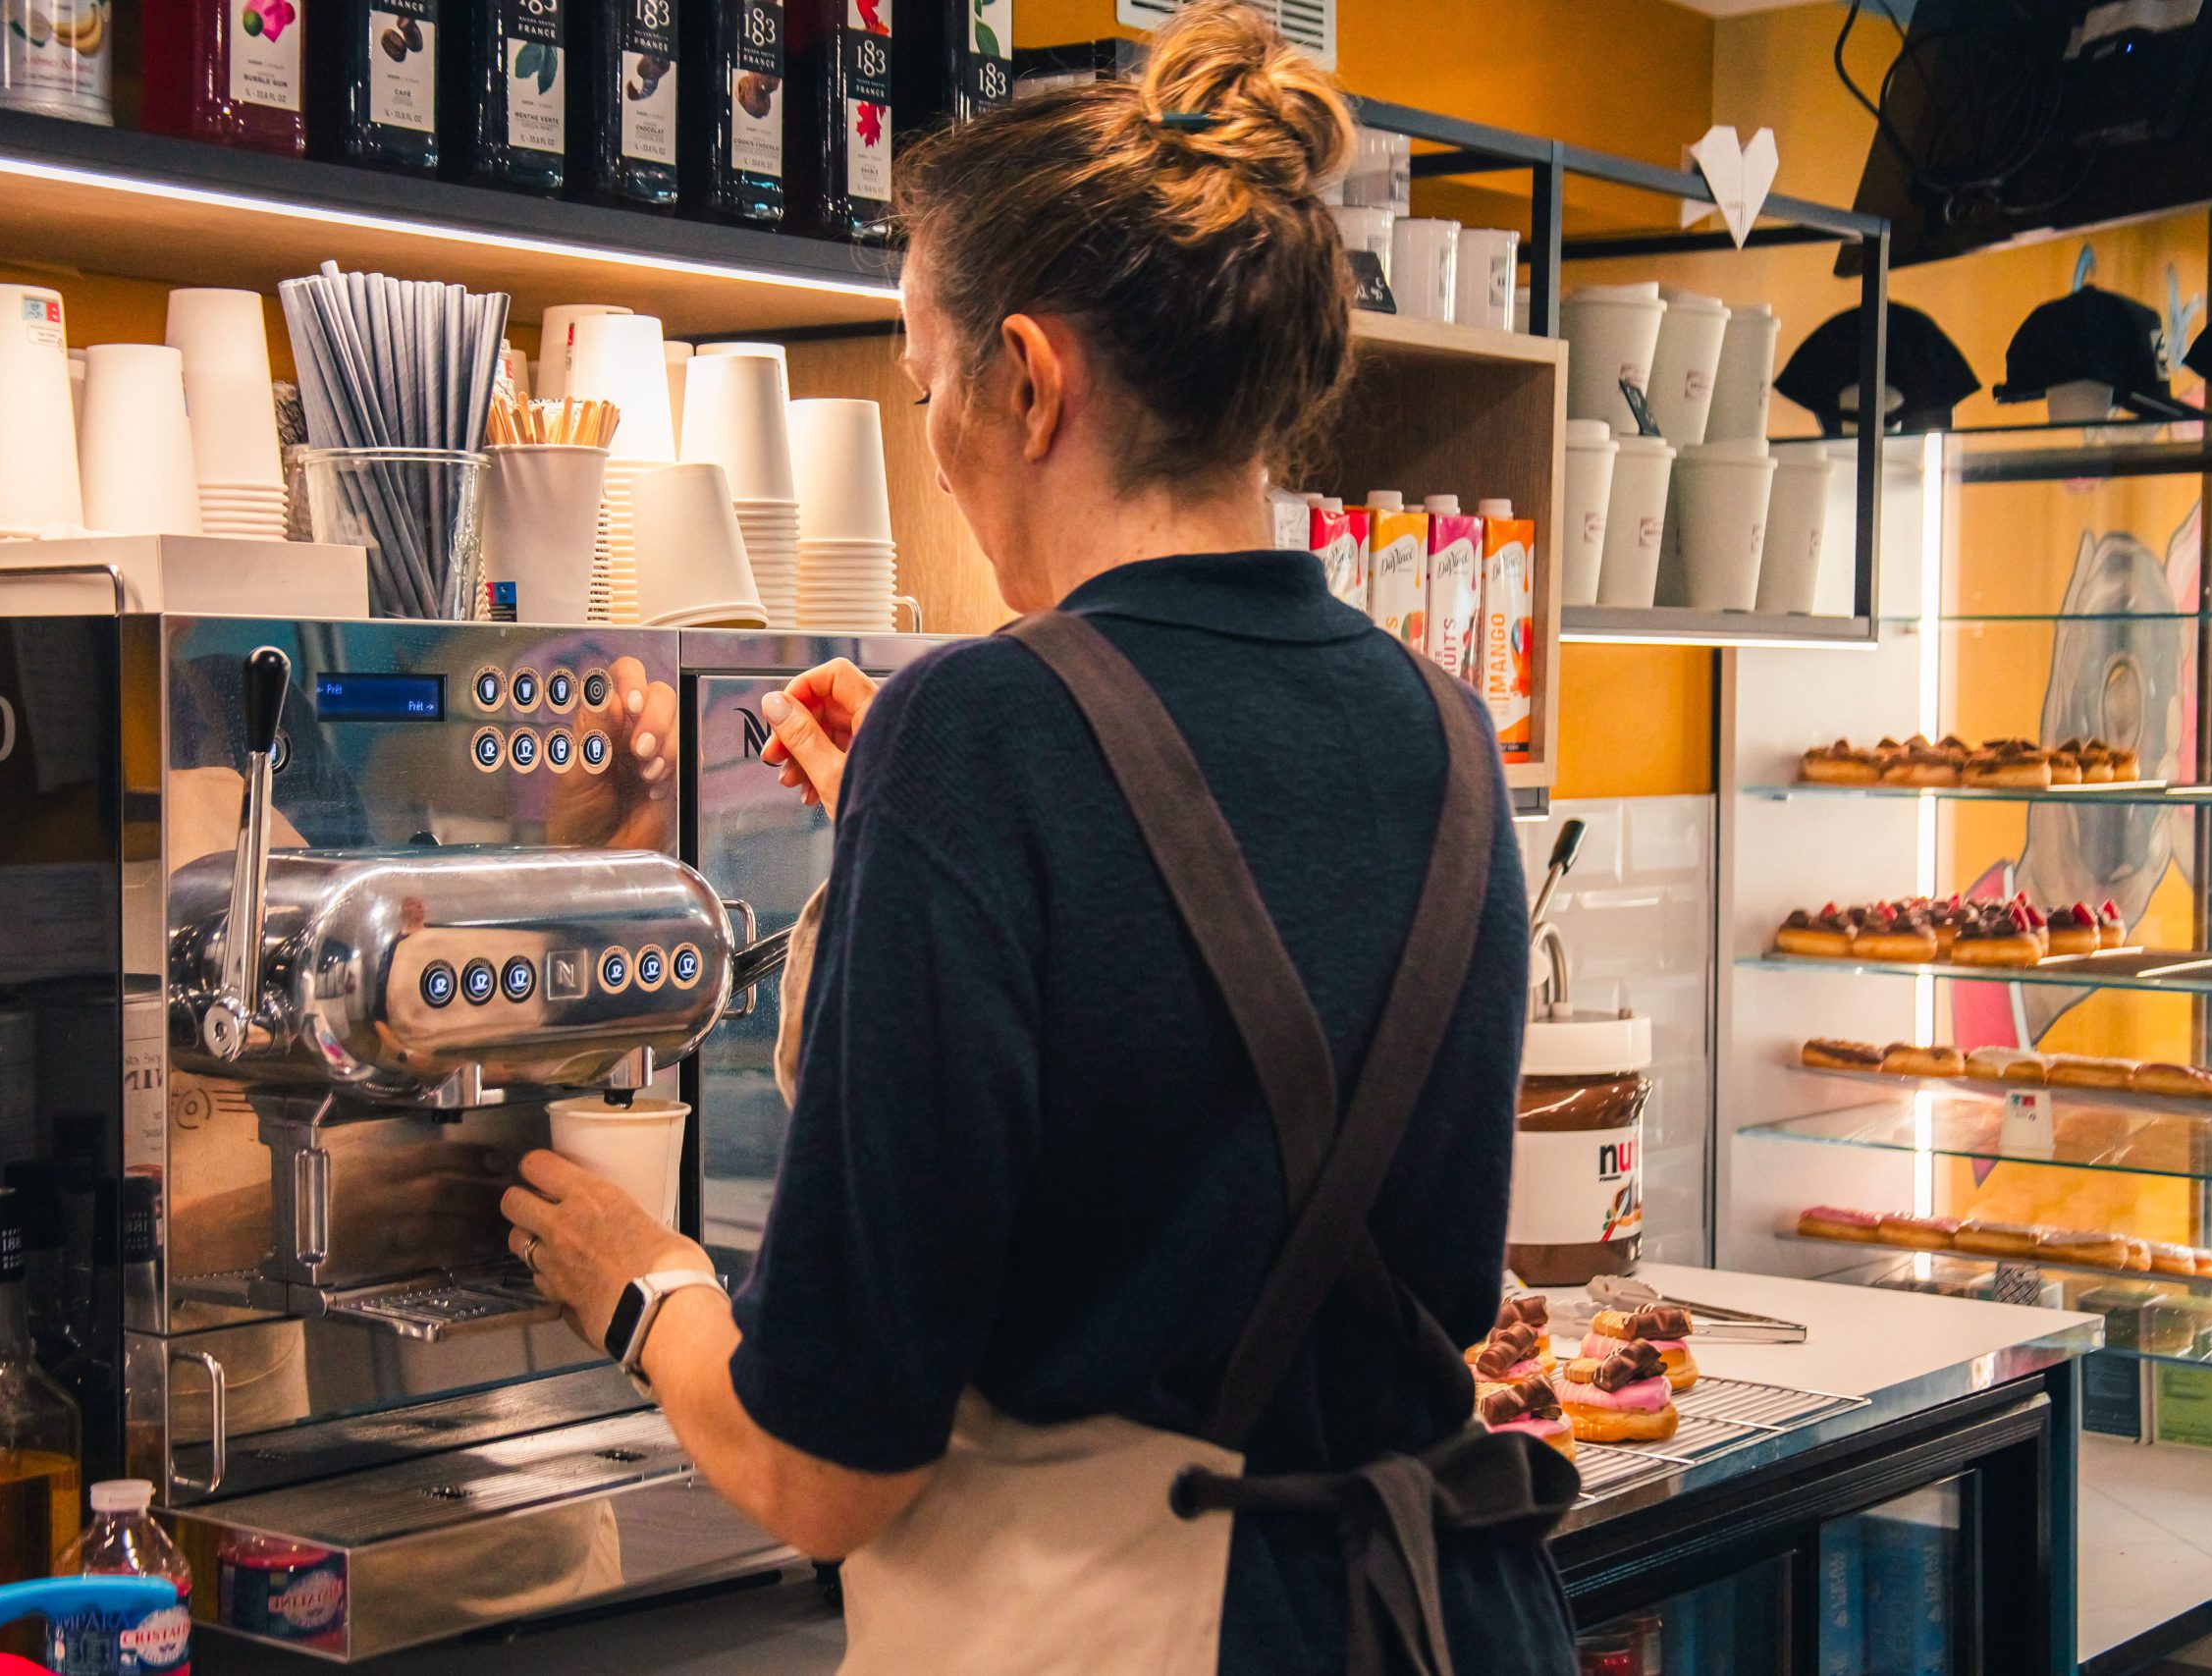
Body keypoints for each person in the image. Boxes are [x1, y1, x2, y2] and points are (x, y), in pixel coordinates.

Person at [499, 4, 1579, 1669]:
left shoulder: (983, 733)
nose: (937, 452)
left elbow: (827, 1467)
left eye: (930, 383)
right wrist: (912, 838)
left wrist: (642, 1287)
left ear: (1028, 378)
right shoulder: (1442, 726)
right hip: (1440, 1624)